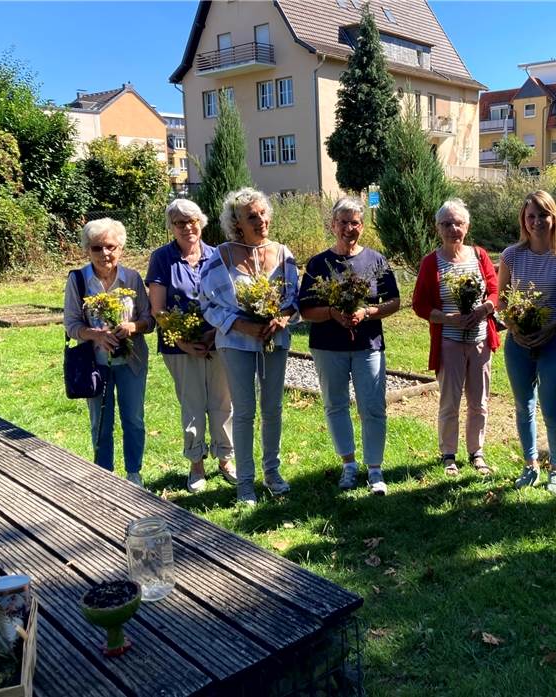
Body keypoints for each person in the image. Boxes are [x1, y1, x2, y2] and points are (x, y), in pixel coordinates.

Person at [199, 188, 299, 506]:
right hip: (236, 342)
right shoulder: (223, 254)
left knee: (273, 409)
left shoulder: (283, 253)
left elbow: (295, 299)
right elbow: (207, 302)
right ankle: (245, 483)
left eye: (263, 213)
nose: (260, 220)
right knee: (243, 412)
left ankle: (272, 473)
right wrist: (240, 324)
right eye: (251, 216)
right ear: (237, 223)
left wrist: (283, 319)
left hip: (274, 341)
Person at [297, 197, 401, 495]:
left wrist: (367, 311)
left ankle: (375, 469)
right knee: (336, 405)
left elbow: (394, 301)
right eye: (343, 222)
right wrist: (331, 312)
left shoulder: (376, 260)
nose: (348, 228)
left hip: (368, 344)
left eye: (354, 222)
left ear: (362, 226)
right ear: (333, 225)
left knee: (373, 406)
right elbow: (305, 311)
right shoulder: (319, 264)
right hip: (329, 346)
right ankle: (348, 465)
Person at [497, 190, 556, 494]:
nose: (537, 221)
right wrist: (514, 328)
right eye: (530, 216)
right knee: (524, 406)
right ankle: (530, 464)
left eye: (543, 215)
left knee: (551, 409)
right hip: (518, 344)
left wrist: (550, 328)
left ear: (554, 217)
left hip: (555, 343)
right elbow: (502, 302)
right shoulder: (511, 255)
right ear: (524, 220)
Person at [146, 199, 236, 493]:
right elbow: (158, 309)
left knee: (223, 402)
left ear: (202, 223)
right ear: (171, 227)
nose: (187, 228)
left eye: (192, 221)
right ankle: (196, 464)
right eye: (179, 223)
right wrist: (183, 342)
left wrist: (214, 334)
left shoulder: (217, 255)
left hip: (218, 341)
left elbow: (229, 299)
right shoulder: (162, 258)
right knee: (193, 404)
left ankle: (226, 459)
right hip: (179, 347)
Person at [63, 218, 153, 486]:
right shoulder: (78, 280)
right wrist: (96, 336)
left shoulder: (132, 279)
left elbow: (149, 320)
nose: (105, 253)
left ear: (121, 248)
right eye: (97, 248)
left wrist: (133, 326)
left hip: (131, 362)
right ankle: (105, 476)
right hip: (95, 364)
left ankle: (134, 473)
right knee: (101, 422)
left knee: (133, 419)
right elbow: (71, 325)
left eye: (111, 247)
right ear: (87, 250)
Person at [412, 199, 499, 476]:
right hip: (448, 341)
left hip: (480, 340)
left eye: (458, 223)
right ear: (438, 228)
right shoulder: (431, 262)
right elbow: (419, 304)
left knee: (479, 402)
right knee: (450, 401)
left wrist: (485, 309)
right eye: (446, 224)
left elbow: (496, 292)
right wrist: (445, 317)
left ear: (467, 226)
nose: (453, 229)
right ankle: (448, 454)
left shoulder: (480, 256)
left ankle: (477, 452)